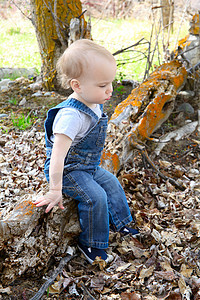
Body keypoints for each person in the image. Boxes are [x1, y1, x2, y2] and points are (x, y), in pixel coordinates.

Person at [34, 39, 139, 264]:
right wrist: (55, 189)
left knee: (111, 183)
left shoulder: (93, 99)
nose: (110, 90)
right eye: (102, 86)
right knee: (95, 197)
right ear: (77, 86)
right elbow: (57, 156)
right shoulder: (71, 117)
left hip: (88, 166)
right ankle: (91, 243)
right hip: (69, 170)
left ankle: (122, 223)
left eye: (110, 83)